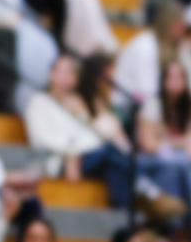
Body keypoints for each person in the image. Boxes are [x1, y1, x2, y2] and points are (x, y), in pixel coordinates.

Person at [27, 54, 191, 224]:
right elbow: (43, 139)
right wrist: (75, 148)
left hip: (84, 154)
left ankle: (124, 216)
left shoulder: (75, 102)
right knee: (111, 151)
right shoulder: (39, 102)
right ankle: (150, 192)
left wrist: (81, 115)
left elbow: (89, 134)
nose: (66, 76)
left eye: (71, 72)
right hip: (59, 160)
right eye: (60, 71)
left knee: (115, 165)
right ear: (51, 74)